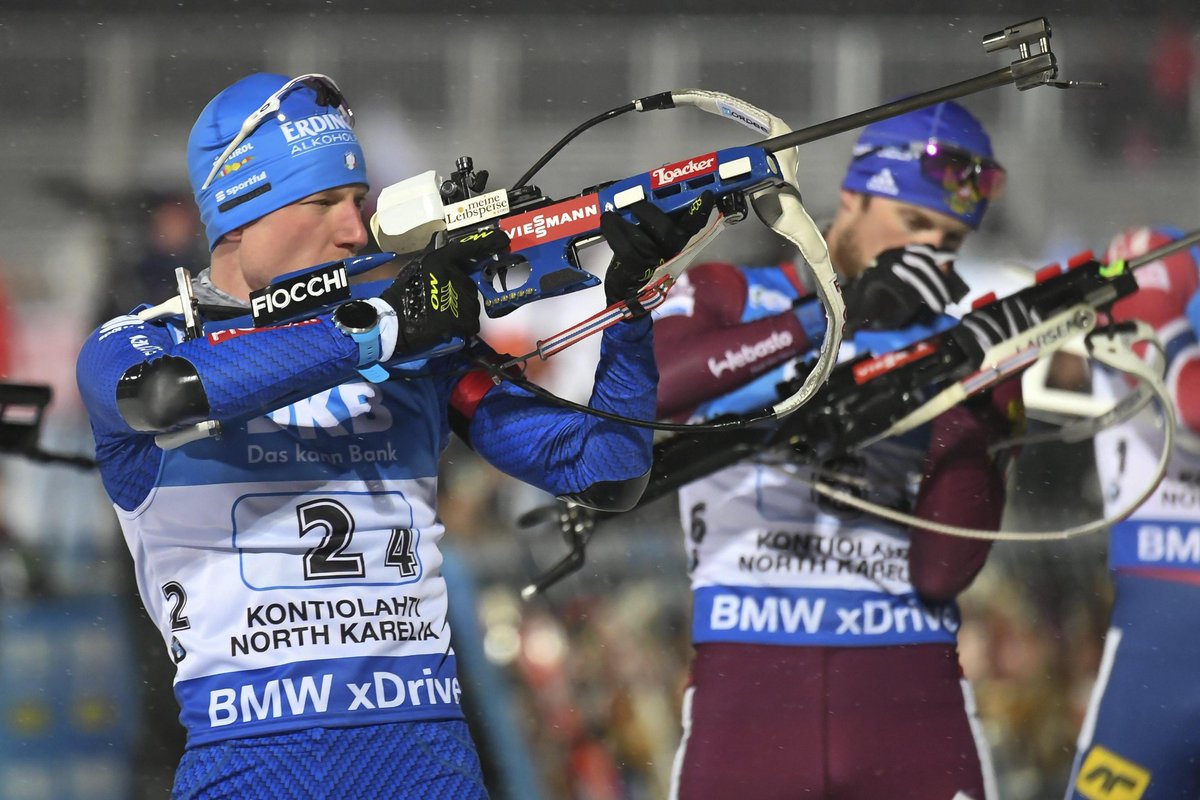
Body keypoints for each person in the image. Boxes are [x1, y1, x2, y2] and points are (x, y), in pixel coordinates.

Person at [75, 72, 709, 799]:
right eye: (323, 202)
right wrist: (385, 328)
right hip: (248, 766)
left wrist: (628, 307)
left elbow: (604, 472)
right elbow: (168, 395)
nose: (355, 228)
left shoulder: (415, 355)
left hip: (427, 764)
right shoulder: (140, 345)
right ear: (240, 211)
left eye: (357, 200)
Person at [653, 101, 1026, 800]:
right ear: (849, 200)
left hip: (908, 695)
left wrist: (992, 407)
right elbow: (659, 389)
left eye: (947, 241)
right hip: (749, 697)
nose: (926, 254)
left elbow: (944, 569)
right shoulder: (734, 292)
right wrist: (833, 315)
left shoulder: (950, 345)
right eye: (913, 224)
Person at [1065, 226, 1200, 800]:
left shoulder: (1159, 281)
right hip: (1158, 626)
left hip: (1161, 629)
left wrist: (1155, 313)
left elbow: (1192, 411)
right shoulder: (1166, 261)